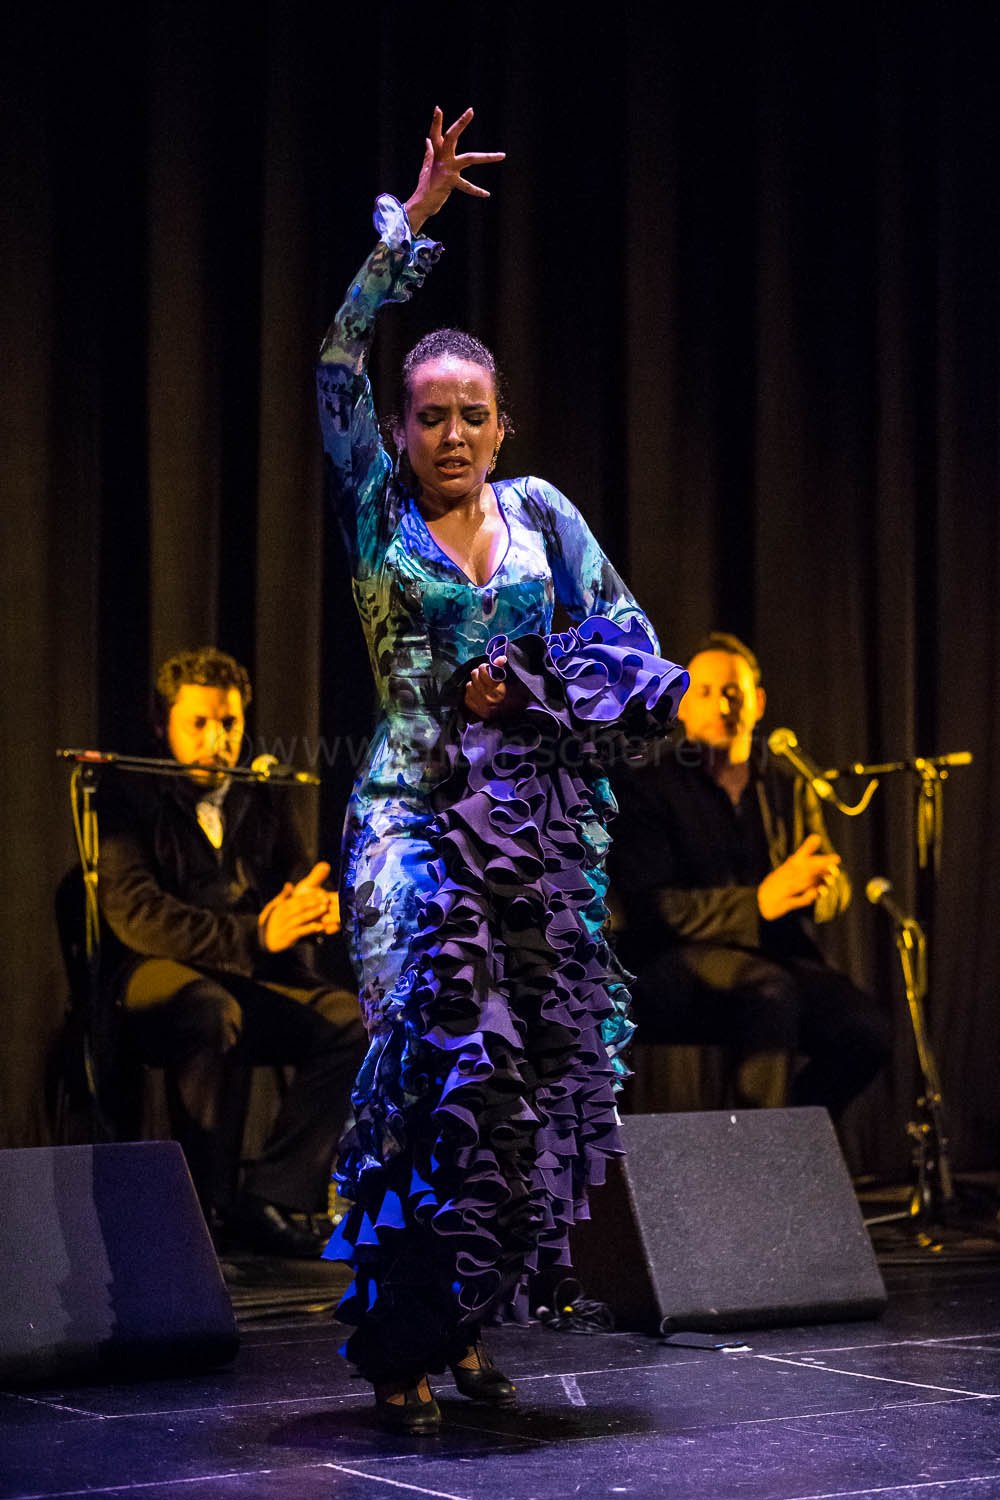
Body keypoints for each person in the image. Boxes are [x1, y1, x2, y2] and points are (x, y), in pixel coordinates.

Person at [317, 108, 687, 1430]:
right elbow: (333, 359)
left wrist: (535, 691)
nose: (453, 433)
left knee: (522, 1087)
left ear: (502, 424)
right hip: (410, 825)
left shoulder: (543, 520)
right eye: (431, 416)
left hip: (526, 836)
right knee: (435, 1066)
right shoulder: (376, 512)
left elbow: (629, 647)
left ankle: (460, 1324)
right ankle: (395, 1341)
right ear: (404, 429)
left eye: (473, 414)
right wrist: (408, 229)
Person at [96, 646, 367, 1257]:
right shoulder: (128, 794)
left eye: (229, 724)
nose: (217, 740)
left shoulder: (259, 792)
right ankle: (196, 1205)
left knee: (350, 1022)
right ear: (162, 723)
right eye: (199, 723)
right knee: (209, 1011)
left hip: (247, 974)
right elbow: (138, 916)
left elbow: (294, 880)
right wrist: (255, 935)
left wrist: (313, 911)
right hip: (155, 971)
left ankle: (271, 1197)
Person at [607, 631, 891, 1118]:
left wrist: (824, 889)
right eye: (705, 692)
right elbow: (650, 909)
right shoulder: (648, 786)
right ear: (681, 706)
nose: (722, 705)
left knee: (866, 1030)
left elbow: (830, 880)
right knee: (769, 993)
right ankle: (758, 1156)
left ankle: (791, 1135)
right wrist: (758, 903)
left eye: (733, 693)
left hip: (775, 957)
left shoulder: (786, 786)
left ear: (757, 702)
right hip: (669, 963)